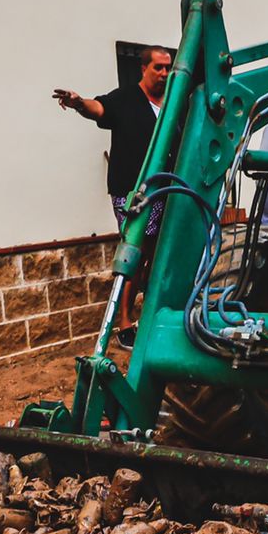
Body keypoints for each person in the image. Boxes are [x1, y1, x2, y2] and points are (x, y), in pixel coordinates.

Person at [53, 46, 173, 337]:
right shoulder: (127, 98)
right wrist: (79, 102)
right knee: (136, 251)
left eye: (168, 67)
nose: (164, 73)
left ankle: (153, 315)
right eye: (158, 67)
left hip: (166, 189)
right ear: (143, 68)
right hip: (132, 191)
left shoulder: (173, 101)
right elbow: (100, 108)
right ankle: (124, 322)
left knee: (159, 255)